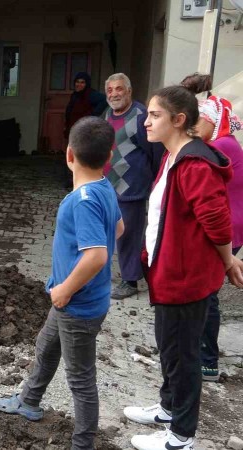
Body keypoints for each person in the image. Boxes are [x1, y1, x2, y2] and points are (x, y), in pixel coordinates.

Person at [124, 86, 243, 450]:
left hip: (185, 279)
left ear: (178, 120)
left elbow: (217, 223)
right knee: (169, 347)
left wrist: (228, 261)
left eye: (155, 115)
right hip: (169, 273)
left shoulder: (194, 164)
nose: (146, 122)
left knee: (183, 355)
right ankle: (167, 409)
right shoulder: (173, 155)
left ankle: (180, 436)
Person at [0, 117, 124, 450]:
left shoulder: (82, 201)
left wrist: (65, 289)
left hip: (77, 303)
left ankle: (83, 444)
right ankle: (29, 399)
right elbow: (119, 229)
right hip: (77, 299)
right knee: (46, 345)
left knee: (81, 379)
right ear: (109, 157)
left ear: (68, 154)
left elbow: (96, 256)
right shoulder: (105, 188)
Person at [103, 73, 165, 300]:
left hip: (131, 188)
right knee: (108, 230)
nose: (114, 94)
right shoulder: (107, 114)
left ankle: (130, 280)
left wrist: (153, 180)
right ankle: (103, 272)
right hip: (108, 185)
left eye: (119, 89)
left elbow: (155, 152)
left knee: (129, 234)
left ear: (129, 91)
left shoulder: (141, 116)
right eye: (110, 90)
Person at [196, 94, 243, 382]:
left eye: (201, 119)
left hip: (227, 227)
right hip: (230, 224)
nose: (194, 124)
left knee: (207, 293)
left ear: (214, 121)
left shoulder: (220, 146)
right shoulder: (225, 143)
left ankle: (207, 362)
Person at [64, 72, 107, 139]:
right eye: (77, 82)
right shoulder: (75, 95)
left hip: (84, 128)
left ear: (86, 84)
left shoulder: (90, 94)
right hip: (74, 127)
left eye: (82, 82)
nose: (79, 84)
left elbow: (104, 100)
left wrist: (93, 114)